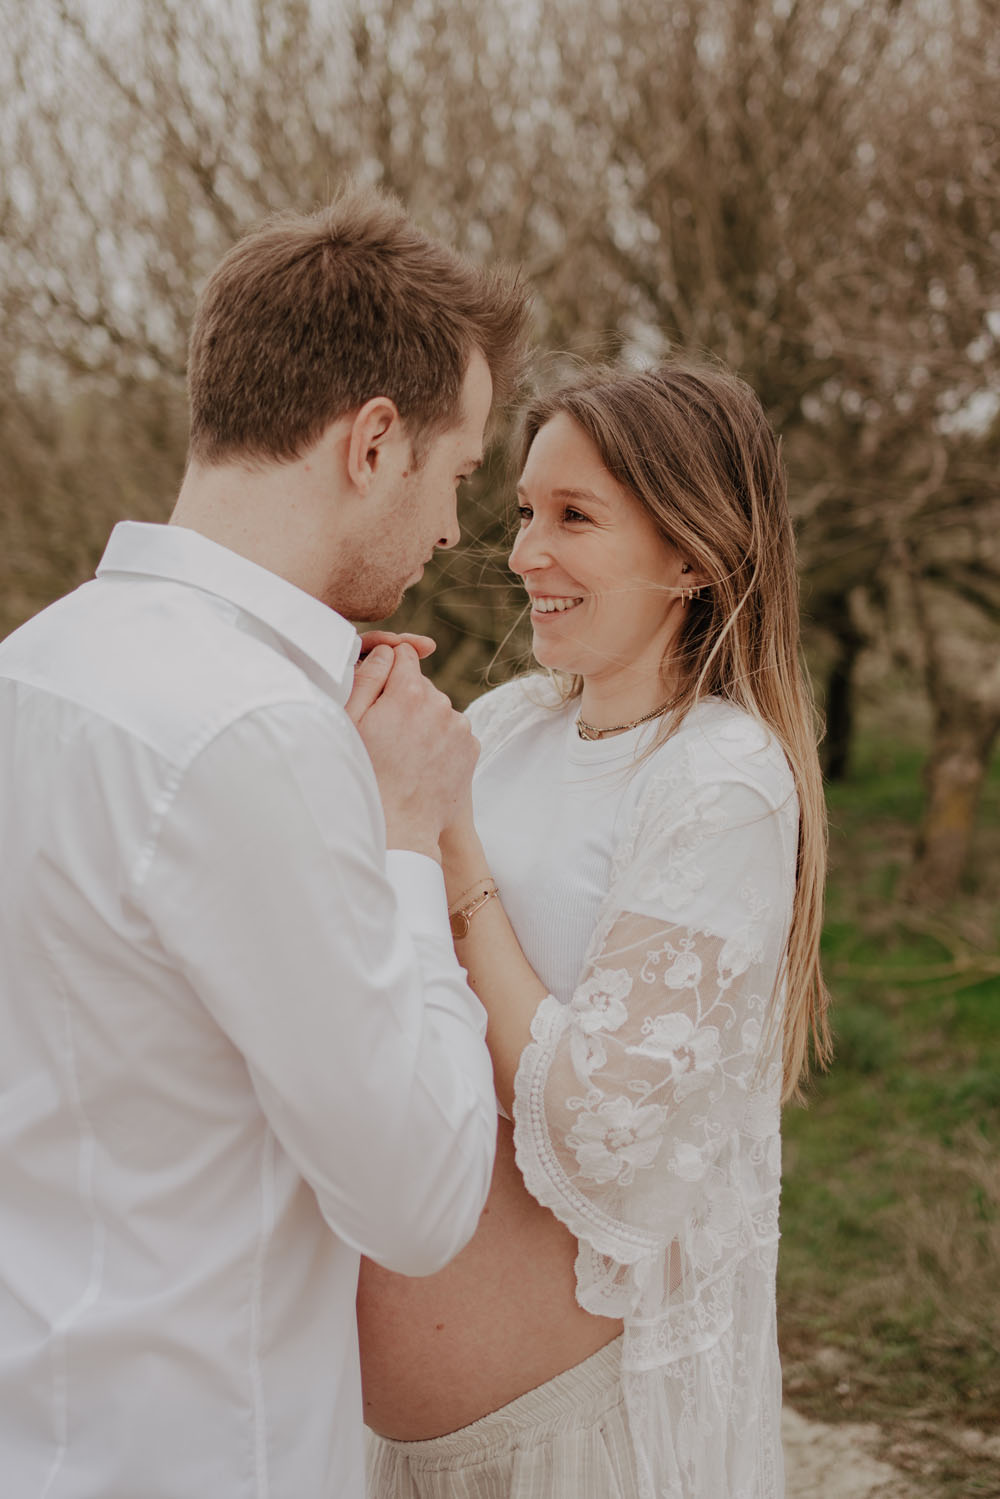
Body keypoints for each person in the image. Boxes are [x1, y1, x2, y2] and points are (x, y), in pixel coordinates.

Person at [0, 186, 530, 1498]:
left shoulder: (35, 665)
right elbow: (416, 1198)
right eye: (457, 476)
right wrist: (410, 835)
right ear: (372, 441)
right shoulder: (254, 734)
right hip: (196, 1452)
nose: (457, 531)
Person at [359, 358, 831, 1499]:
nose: (523, 552)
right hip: (395, 1438)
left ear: (692, 555)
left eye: (574, 516)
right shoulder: (513, 720)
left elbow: (592, 1125)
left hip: (576, 1440)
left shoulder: (720, 780)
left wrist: (453, 852)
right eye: (524, 511)